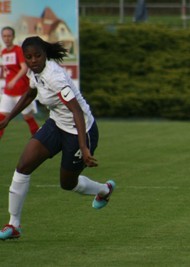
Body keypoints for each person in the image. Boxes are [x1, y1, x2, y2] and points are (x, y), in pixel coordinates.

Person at [0, 36, 116, 240]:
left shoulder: (55, 77)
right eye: (29, 57)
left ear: (45, 55)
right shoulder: (33, 71)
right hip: (56, 124)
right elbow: (30, 94)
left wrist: (84, 147)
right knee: (23, 166)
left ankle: (104, 190)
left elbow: (77, 112)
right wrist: (8, 118)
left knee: (67, 184)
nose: (33, 60)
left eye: (37, 56)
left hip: (80, 130)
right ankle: (13, 225)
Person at [0, 26, 39, 139]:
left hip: (22, 90)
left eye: (9, 36)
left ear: (13, 37)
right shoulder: (3, 52)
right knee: (1, 119)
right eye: (4, 36)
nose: (6, 38)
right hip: (9, 92)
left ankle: (40, 142)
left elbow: (24, 68)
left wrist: (14, 80)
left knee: (28, 117)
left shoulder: (18, 50)